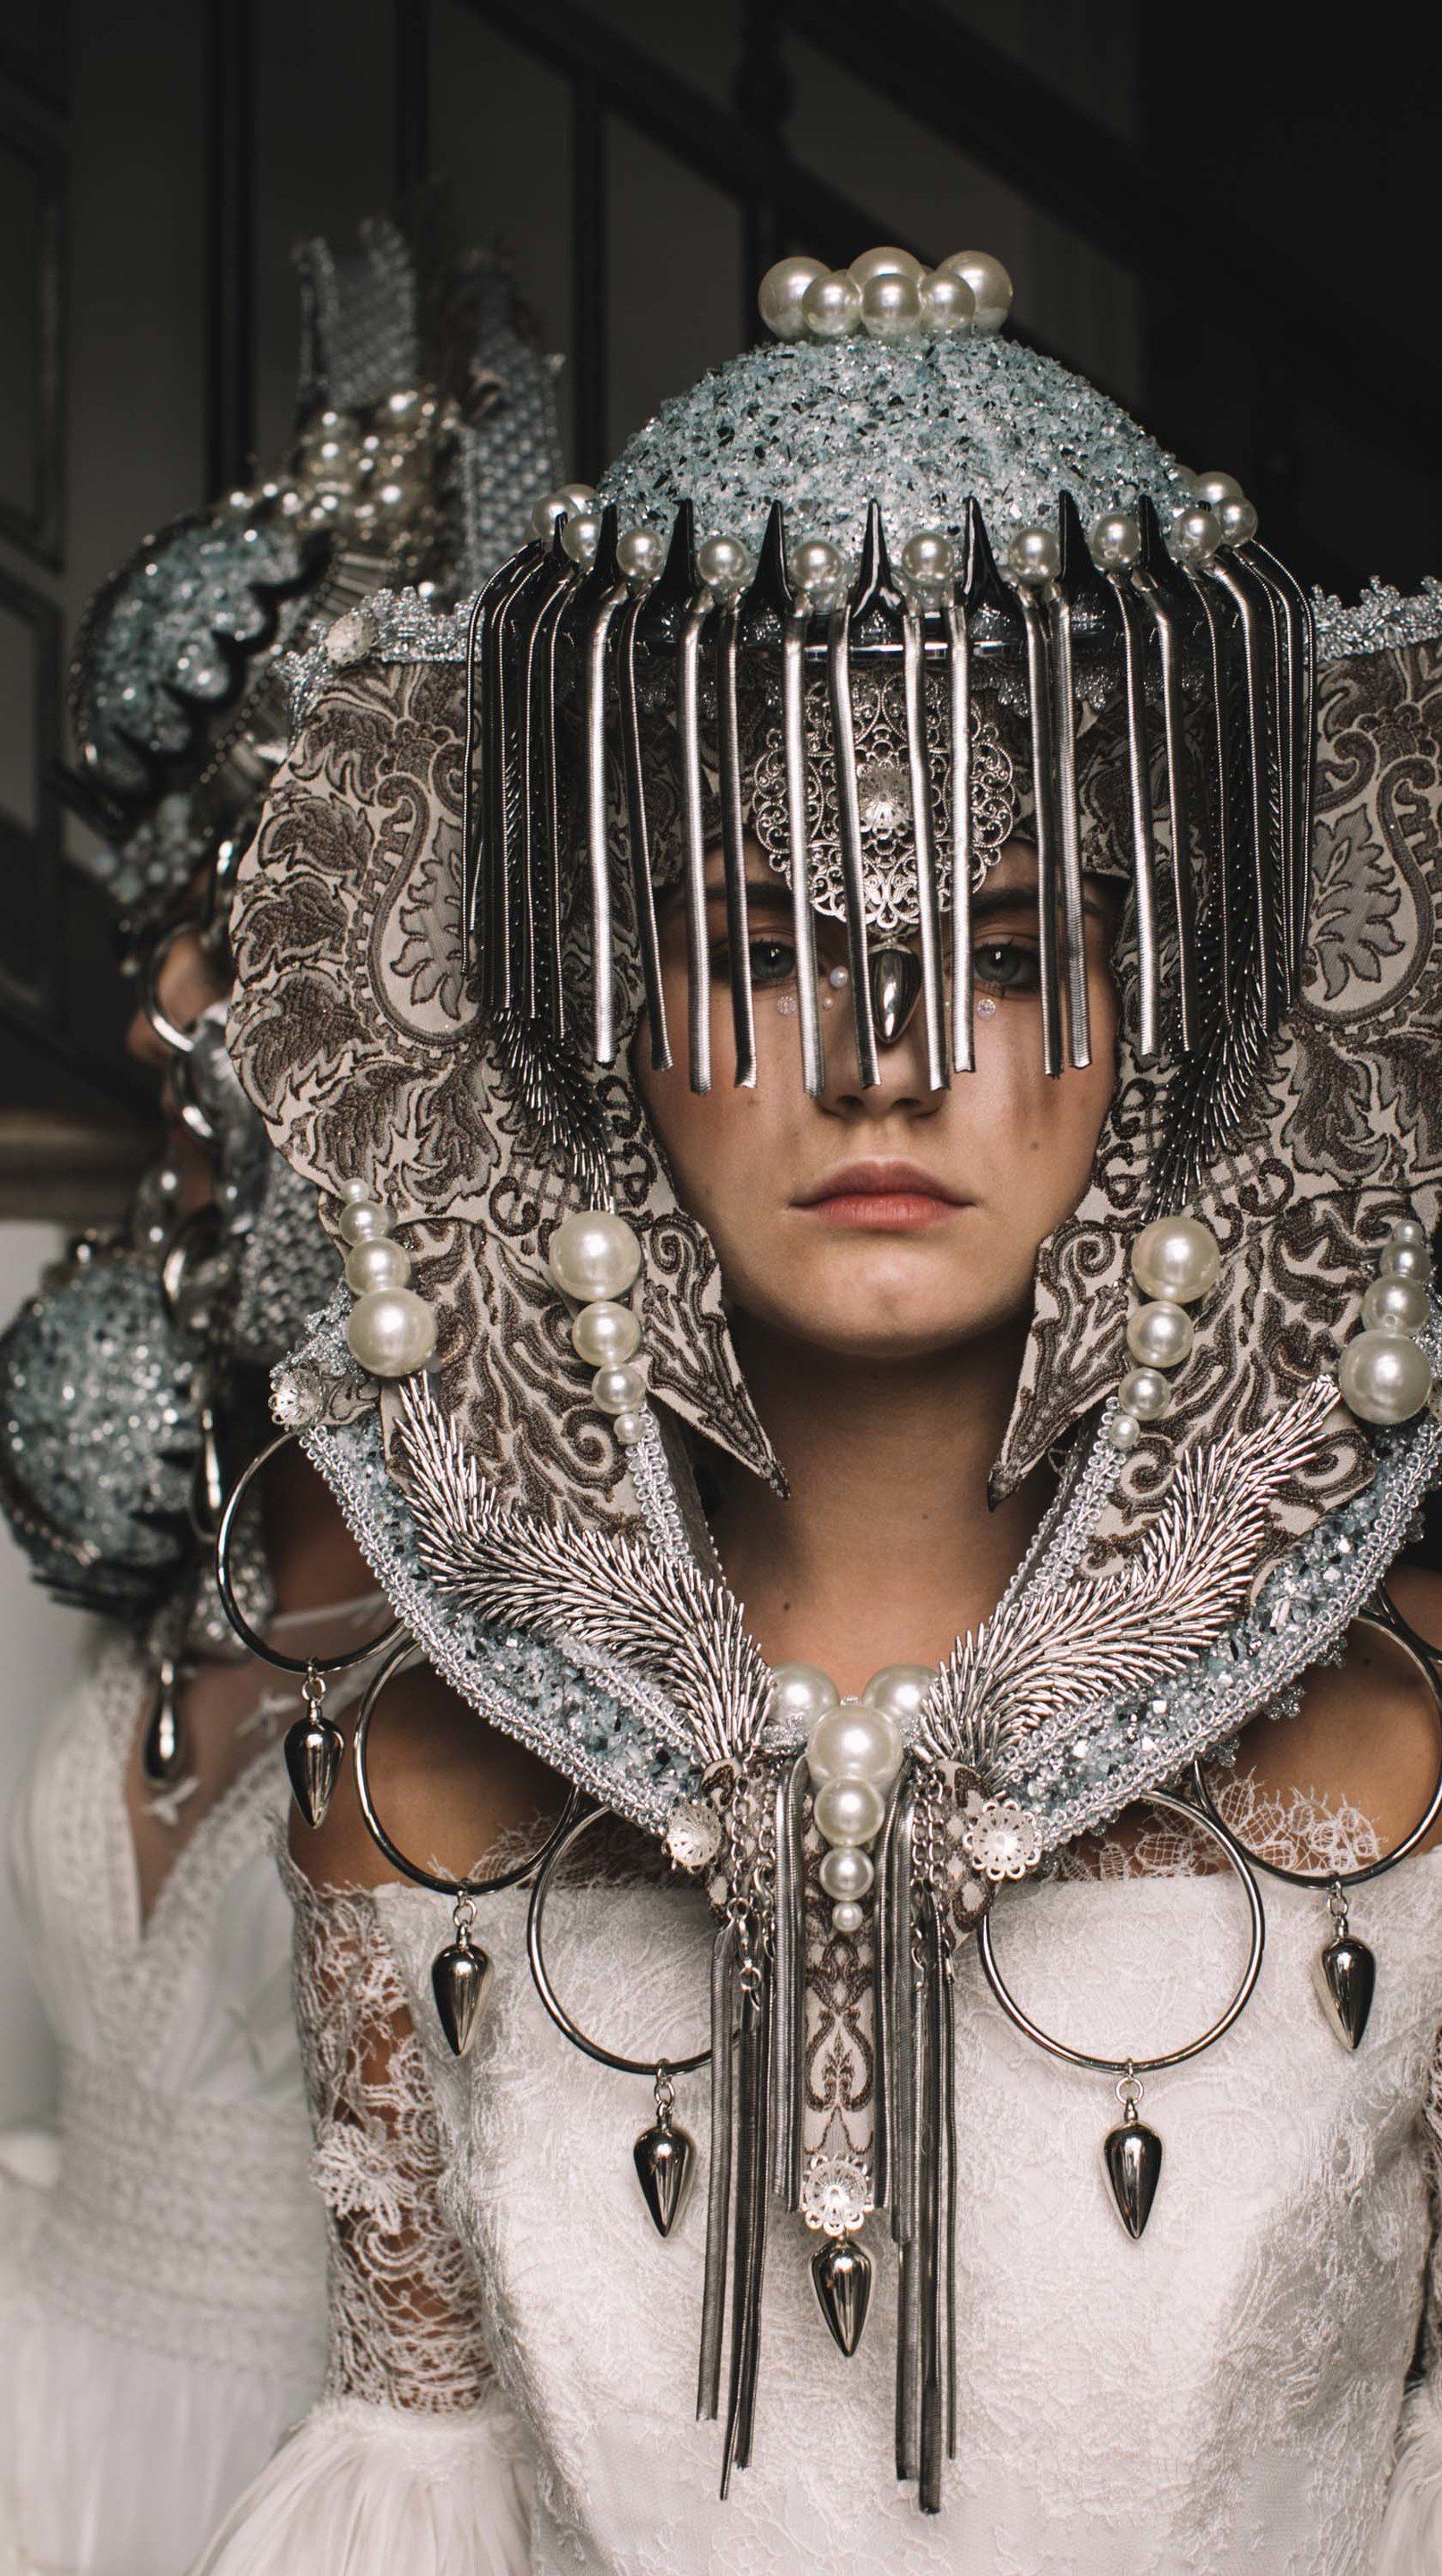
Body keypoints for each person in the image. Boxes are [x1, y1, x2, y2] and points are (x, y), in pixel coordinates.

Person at [191, 245, 1442, 2574]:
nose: (882, 1061)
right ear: (597, 1018)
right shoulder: (407, 1791)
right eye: (760, 942)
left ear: (1172, 1015)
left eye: (1003, 954)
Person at [0, 216, 565, 2575]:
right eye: (167, 941)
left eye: (243, 945)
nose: (166, 1018)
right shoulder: (184, 1459)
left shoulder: (589, 1544)